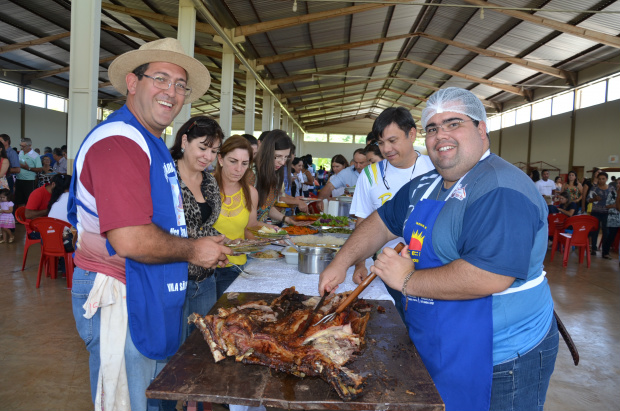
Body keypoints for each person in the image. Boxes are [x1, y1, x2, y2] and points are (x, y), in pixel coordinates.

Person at [319, 87, 557, 411]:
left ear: (481, 129)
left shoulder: (500, 188)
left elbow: (488, 275)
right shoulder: (426, 184)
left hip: (499, 358)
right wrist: (341, 262)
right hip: (438, 341)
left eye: (453, 123)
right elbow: (381, 222)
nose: (440, 135)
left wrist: (406, 281)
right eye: (433, 127)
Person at [67, 38, 231, 411]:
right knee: (132, 401)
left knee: (154, 395)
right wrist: (195, 249)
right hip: (121, 291)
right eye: (160, 78)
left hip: (148, 285)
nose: (170, 92)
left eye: (179, 85)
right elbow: (128, 239)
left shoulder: (150, 141)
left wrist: (199, 240)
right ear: (132, 82)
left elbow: (159, 220)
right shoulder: (120, 141)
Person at [350, 106, 435, 321]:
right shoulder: (370, 174)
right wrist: (360, 262)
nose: (386, 149)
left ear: (412, 134)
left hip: (430, 271)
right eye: (381, 143)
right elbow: (362, 223)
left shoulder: (435, 169)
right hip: (387, 271)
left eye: (393, 140)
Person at [170, 116, 224, 341]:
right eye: (203, 148)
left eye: (214, 151)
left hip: (206, 279)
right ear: (184, 141)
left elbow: (206, 225)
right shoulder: (166, 177)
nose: (208, 157)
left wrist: (220, 243)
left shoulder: (209, 182)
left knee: (203, 345)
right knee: (174, 350)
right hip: (175, 278)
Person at [213, 136, 262, 298]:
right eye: (233, 161)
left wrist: (265, 238)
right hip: (204, 268)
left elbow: (250, 228)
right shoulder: (204, 187)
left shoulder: (251, 193)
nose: (238, 169)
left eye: (244, 164)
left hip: (234, 268)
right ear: (220, 159)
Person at [253, 130, 307, 225]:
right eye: (278, 156)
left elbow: (265, 208)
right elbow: (247, 220)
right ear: (267, 152)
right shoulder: (252, 174)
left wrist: (287, 219)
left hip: (259, 232)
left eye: (286, 157)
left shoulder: (275, 174)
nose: (282, 162)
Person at [587, 171, 615, 258]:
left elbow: (615, 200)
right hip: (596, 212)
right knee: (595, 231)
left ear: (606, 179)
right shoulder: (594, 188)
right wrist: (594, 199)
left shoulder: (611, 188)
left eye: (603, 179)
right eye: (599, 179)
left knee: (606, 232)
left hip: (607, 213)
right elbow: (588, 199)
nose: (601, 180)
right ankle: (594, 249)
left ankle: (605, 252)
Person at [15, 138, 43, 207]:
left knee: (29, 200)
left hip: (29, 181)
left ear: (30, 145)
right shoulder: (21, 152)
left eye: (23, 146)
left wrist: (28, 168)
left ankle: (27, 216)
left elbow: (40, 169)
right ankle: (20, 216)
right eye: (20, 145)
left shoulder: (35, 155)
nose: (21, 148)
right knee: (19, 200)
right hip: (19, 179)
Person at [603, 187, 620, 263]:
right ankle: (605, 252)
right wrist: (615, 205)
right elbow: (606, 205)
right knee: (611, 236)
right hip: (613, 217)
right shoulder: (612, 193)